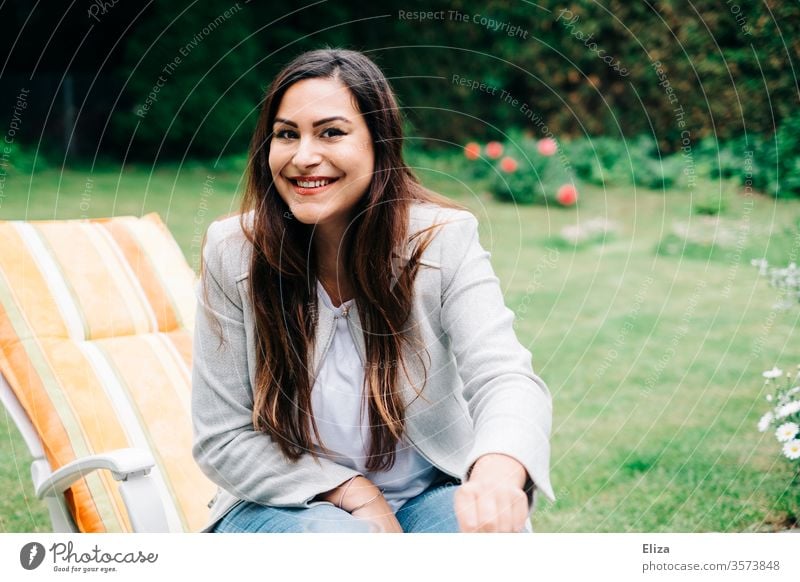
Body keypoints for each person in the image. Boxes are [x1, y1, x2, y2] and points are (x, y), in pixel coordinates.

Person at [191, 48, 554, 533]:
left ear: (379, 142)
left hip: (427, 496)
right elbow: (222, 436)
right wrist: (353, 493)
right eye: (286, 135)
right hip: (284, 504)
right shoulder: (234, 250)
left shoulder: (442, 239)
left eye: (331, 132)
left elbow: (504, 376)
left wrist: (497, 468)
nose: (303, 157)